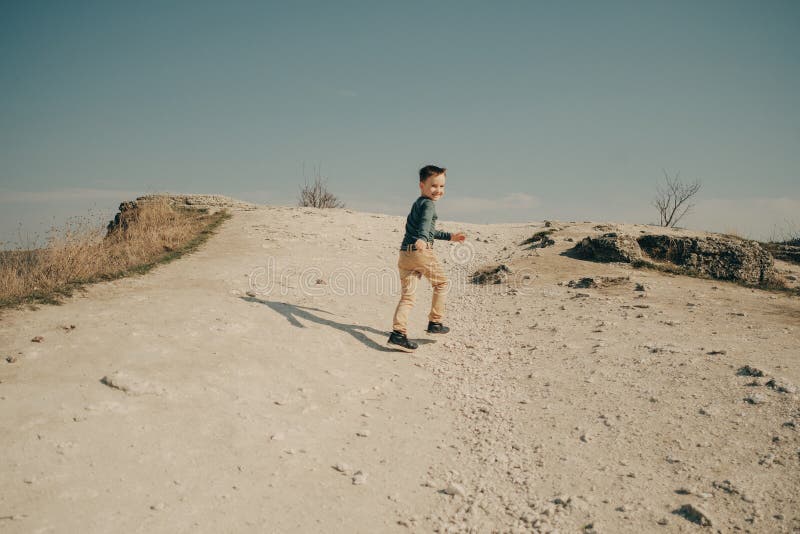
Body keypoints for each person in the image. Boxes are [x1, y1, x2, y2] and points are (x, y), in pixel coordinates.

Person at [387, 165, 466, 352]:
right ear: (421, 185)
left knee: (407, 297)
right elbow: (424, 227)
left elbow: (429, 230)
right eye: (433, 186)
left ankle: (398, 334)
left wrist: (450, 237)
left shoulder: (418, 203)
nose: (438, 190)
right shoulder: (429, 204)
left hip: (405, 254)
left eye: (442, 186)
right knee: (441, 284)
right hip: (420, 252)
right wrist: (422, 238)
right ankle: (435, 323)